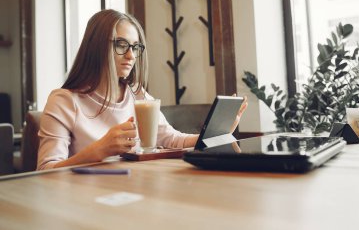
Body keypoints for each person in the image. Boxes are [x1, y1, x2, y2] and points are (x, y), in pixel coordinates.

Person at [37, 9, 247, 170]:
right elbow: (45, 171)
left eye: (135, 47)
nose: (131, 56)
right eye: (121, 45)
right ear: (96, 46)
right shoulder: (64, 101)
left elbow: (171, 139)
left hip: (131, 190)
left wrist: (215, 134)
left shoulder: (136, 94)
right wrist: (99, 150)